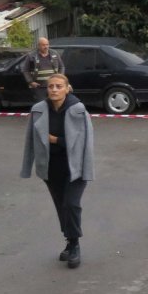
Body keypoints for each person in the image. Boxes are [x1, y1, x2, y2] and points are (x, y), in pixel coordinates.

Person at [20, 74, 93, 269]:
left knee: (71, 204)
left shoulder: (78, 110)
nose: (53, 89)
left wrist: (56, 140)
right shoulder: (38, 110)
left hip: (75, 167)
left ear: (67, 88)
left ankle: (75, 244)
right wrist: (27, 167)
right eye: (50, 86)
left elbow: (86, 142)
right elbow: (30, 142)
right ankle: (69, 241)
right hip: (51, 167)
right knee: (62, 206)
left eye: (58, 86)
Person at [21, 37, 65, 102]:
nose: (46, 47)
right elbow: (25, 70)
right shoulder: (31, 55)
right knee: (42, 105)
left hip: (53, 86)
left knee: (54, 104)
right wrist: (30, 82)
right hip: (39, 87)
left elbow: (62, 67)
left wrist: (60, 78)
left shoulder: (54, 53)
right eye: (43, 45)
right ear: (38, 46)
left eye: (47, 44)